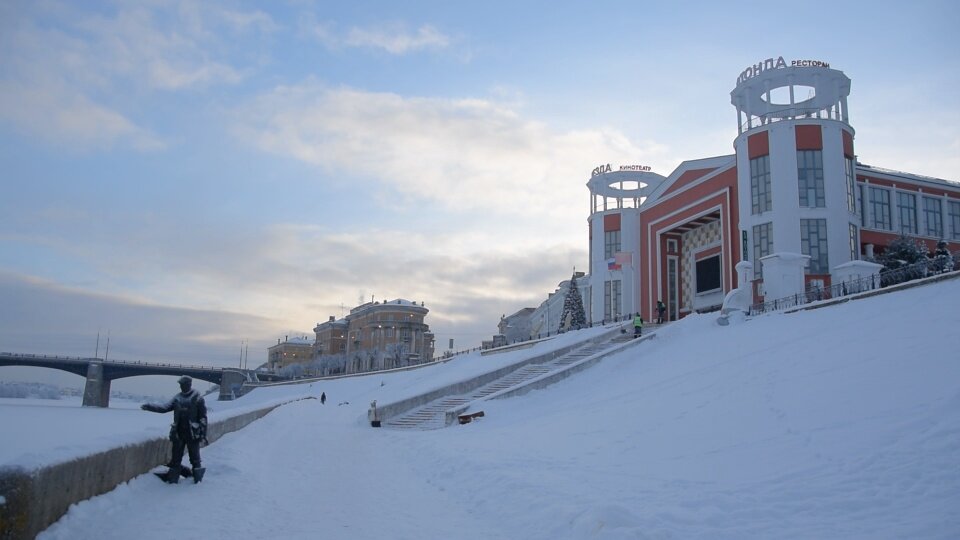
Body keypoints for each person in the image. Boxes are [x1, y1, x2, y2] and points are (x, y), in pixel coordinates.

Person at [141, 375, 208, 483]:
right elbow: (165, 408)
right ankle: (173, 478)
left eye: (183, 384)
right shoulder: (177, 398)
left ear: (189, 385)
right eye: (180, 385)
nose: (181, 387)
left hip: (192, 433)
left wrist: (203, 434)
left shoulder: (197, 398)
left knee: (195, 459)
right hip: (178, 433)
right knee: (175, 459)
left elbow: (203, 417)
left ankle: (197, 479)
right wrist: (150, 407)